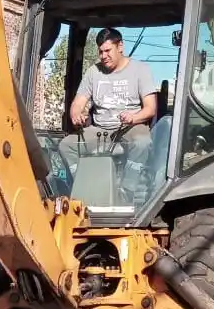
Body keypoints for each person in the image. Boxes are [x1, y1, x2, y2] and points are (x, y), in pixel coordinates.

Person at [59, 27, 157, 200]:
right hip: (100, 130)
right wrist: (76, 114)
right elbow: (77, 103)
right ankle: (86, 188)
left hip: (130, 127)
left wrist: (134, 117)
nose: (103, 56)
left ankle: (126, 192)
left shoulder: (140, 70)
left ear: (120, 47)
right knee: (66, 146)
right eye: (100, 52)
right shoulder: (93, 72)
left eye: (107, 51)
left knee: (142, 142)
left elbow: (151, 108)